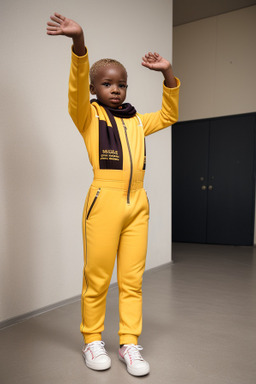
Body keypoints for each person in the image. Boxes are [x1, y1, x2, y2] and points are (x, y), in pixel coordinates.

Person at [47, 12, 180, 377]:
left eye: (122, 84)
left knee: (133, 280)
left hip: (138, 203)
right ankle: (92, 339)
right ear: (95, 89)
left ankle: (129, 343)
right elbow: (76, 87)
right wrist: (79, 44)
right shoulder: (87, 116)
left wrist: (168, 74)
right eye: (107, 84)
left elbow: (169, 114)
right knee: (98, 277)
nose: (116, 89)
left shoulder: (137, 120)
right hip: (103, 201)